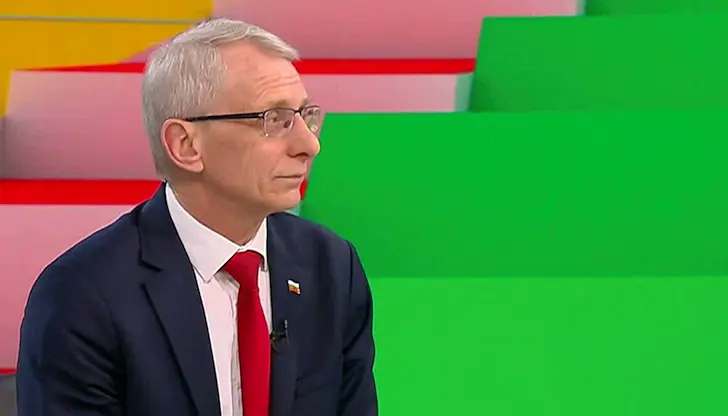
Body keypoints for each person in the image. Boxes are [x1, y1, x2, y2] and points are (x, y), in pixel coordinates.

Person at [16, 18, 377, 416]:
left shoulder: (331, 268)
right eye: (274, 120)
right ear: (186, 144)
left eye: (305, 115)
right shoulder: (83, 296)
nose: (309, 144)